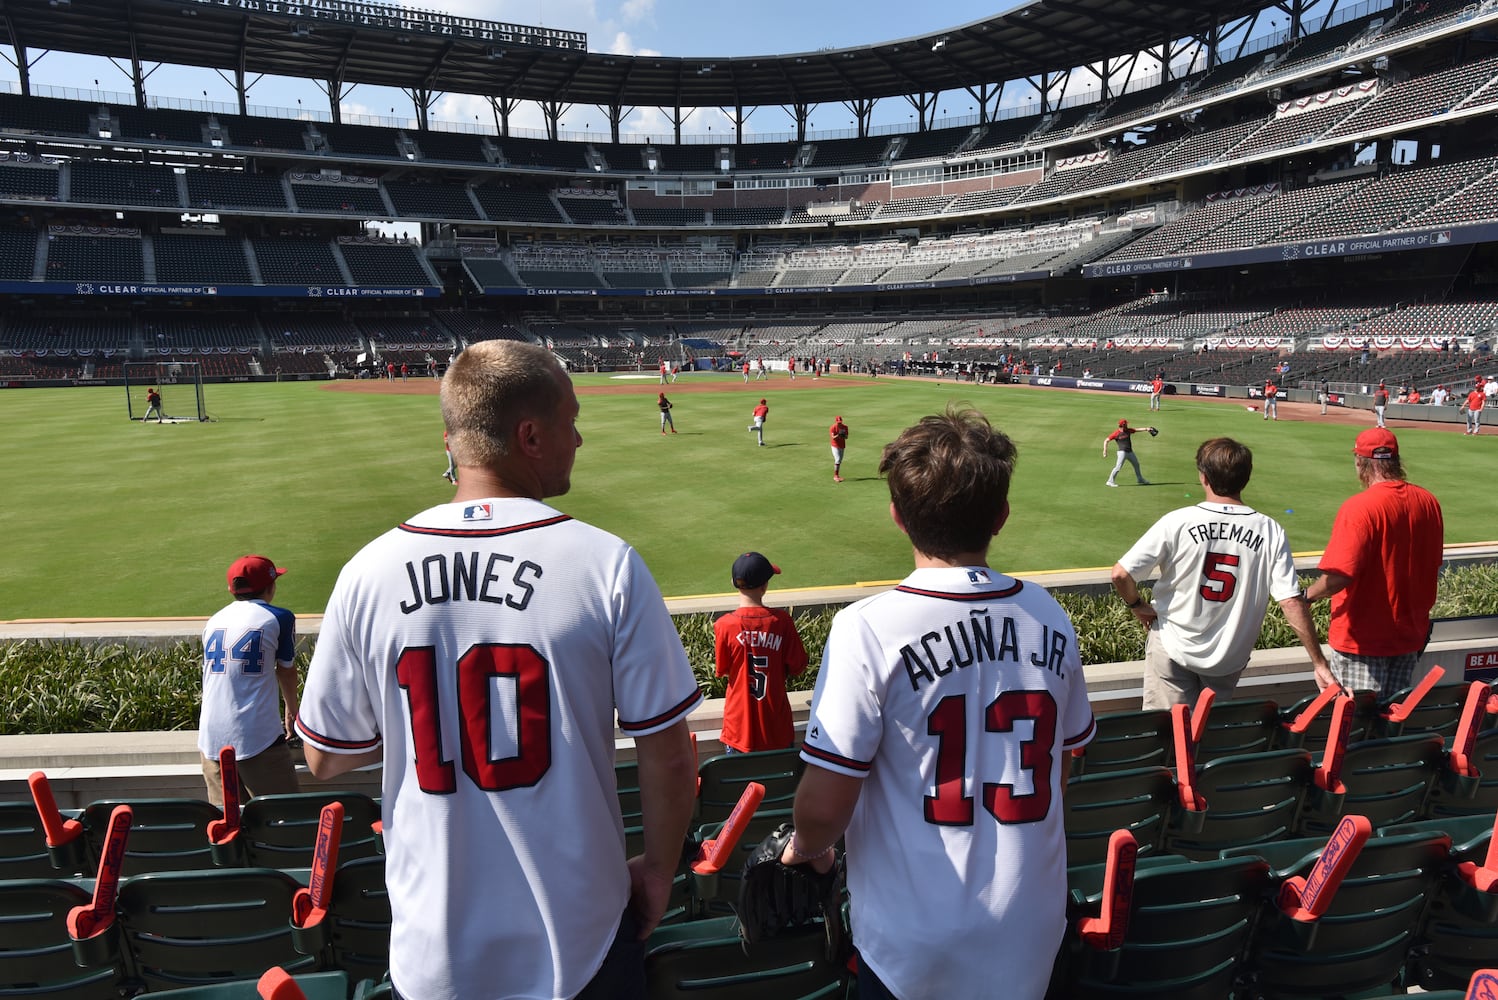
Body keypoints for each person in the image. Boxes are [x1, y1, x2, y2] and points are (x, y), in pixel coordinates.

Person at [295, 340, 702, 1000]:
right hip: (583, 943)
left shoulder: (367, 574)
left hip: (434, 956)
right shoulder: (605, 564)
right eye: (571, 421)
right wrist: (658, 872)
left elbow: (325, 757)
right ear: (530, 436)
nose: (580, 437)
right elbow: (669, 753)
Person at [783, 406, 1096, 1000]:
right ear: (1001, 516)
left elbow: (824, 810)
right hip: (1032, 929)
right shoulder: (1048, 615)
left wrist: (802, 847)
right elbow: (1060, 768)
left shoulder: (866, 628)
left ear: (897, 516)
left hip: (913, 948)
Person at [1111, 438, 1328, 709]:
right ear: (1246, 478)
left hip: (1173, 647)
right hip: (1228, 658)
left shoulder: (1177, 521)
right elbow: (1290, 601)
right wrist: (1319, 663)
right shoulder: (1270, 530)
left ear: (1204, 477)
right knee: (1206, 735)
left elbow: (1121, 574)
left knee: (1167, 737)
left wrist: (1136, 605)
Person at [1304, 428, 1444, 696]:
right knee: (1390, 727)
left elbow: (1340, 576)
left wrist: (1307, 596)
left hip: (1362, 640)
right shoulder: (1428, 502)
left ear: (1361, 462)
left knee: (1355, 728)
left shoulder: (1360, 507)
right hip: (1408, 637)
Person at [199, 555, 300, 808]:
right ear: (270, 587)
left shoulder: (214, 621)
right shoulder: (279, 617)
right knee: (283, 820)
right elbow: (286, 670)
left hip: (210, 740)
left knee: (227, 829)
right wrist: (292, 711)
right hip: (258, 739)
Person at [713, 552, 809, 753]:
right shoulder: (781, 622)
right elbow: (798, 666)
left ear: (733, 583)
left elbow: (723, 670)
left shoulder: (724, 625)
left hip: (738, 729)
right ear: (764, 586)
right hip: (777, 728)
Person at [1103, 418, 1154, 487]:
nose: (1127, 424)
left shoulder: (1128, 430)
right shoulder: (1116, 433)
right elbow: (1106, 440)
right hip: (1122, 453)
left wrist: (1147, 429)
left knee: (1136, 464)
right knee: (1118, 467)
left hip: (1130, 452)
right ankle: (1110, 481)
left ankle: (1140, 479)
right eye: (1126, 424)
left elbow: (1137, 429)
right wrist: (1105, 451)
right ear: (1123, 425)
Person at [829, 415, 849, 483]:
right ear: (836, 421)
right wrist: (838, 435)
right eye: (838, 422)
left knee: (839, 460)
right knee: (837, 460)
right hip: (835, 445)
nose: (839, 423)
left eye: (840, 422)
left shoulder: (845, 427)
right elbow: (833, 437)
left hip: (842, 445)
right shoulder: (833, 427)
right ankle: (835, 476)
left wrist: (843, 435)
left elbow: (846, 437)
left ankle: (837, 475)